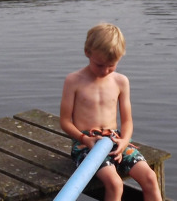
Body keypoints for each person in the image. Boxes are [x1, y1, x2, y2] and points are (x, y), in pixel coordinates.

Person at [60, 23, 161, 201]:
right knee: (115, 183)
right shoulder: (74, 81)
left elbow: (127, 121)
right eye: (99, 65)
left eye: (111, 65)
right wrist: (85, 139)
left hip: (116, 140)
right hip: (86, 144)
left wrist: (124, 141)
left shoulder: (121, 82)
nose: (105, 71)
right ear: (87, 52)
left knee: (150, 178)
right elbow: (65, 121)